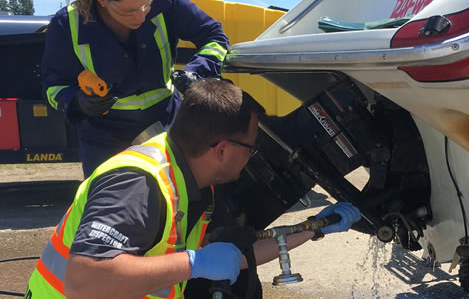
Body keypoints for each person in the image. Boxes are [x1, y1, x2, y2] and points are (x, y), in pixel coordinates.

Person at [25, 79, 361, 299]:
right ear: (222, 150)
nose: (253, 156)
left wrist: (315, 228)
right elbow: (84, 281)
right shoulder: (138, 185)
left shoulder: (193, 183)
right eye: (251, 147)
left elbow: (230, 259)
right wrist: (193, 263)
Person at [41, 0, 229, 178]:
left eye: (147, 3)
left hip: (169, 130)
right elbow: (52, 87)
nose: (142, 16)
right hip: (106, 144)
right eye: (129, 11)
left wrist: (197, 72)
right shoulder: (67, 25)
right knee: (115, 214)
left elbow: (215, 37)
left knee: (180, 207)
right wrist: (78, 102)